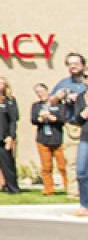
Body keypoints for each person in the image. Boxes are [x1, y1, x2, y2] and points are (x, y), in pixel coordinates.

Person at [52, 52, 86, 202]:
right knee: (72, 161)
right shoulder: (64, 83)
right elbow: (51, 101)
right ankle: (74, 192)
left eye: (76, 63)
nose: (73, 66)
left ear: (83, 65)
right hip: (72, 126)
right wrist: (57, 97)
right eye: (70, 64)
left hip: (86, 125)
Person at [31, 83, 68, 197]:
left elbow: (62, 119)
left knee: (63, 166)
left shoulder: (58, 104)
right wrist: (40, 118)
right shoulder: (36, 106)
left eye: (41, 91)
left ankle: (69, 188)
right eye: (37, 92)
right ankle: (49, 189)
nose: (40, 94)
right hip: (43, 139)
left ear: (47, 91)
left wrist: (53, 118)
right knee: (46, 167)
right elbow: (33, 119)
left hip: (57, 139)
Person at [68, 85, 88, 216]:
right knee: (81, 172)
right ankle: (84, 205)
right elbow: (77, 119)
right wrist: (83, 114)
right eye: (85, 76)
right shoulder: (81, 97)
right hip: (85, 138)